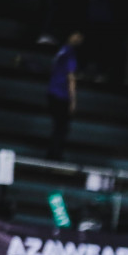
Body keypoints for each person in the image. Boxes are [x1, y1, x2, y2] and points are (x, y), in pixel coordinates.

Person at [47, 31, 82, 160]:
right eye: (77, 35)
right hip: (61, 95)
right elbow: (71, 78)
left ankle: (53, 154)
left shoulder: (62, 50)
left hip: (53, 92)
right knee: (61, 128)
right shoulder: (69, 53)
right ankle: (55, 155)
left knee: (58, 127)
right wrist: (73, 101)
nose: (78, 39)